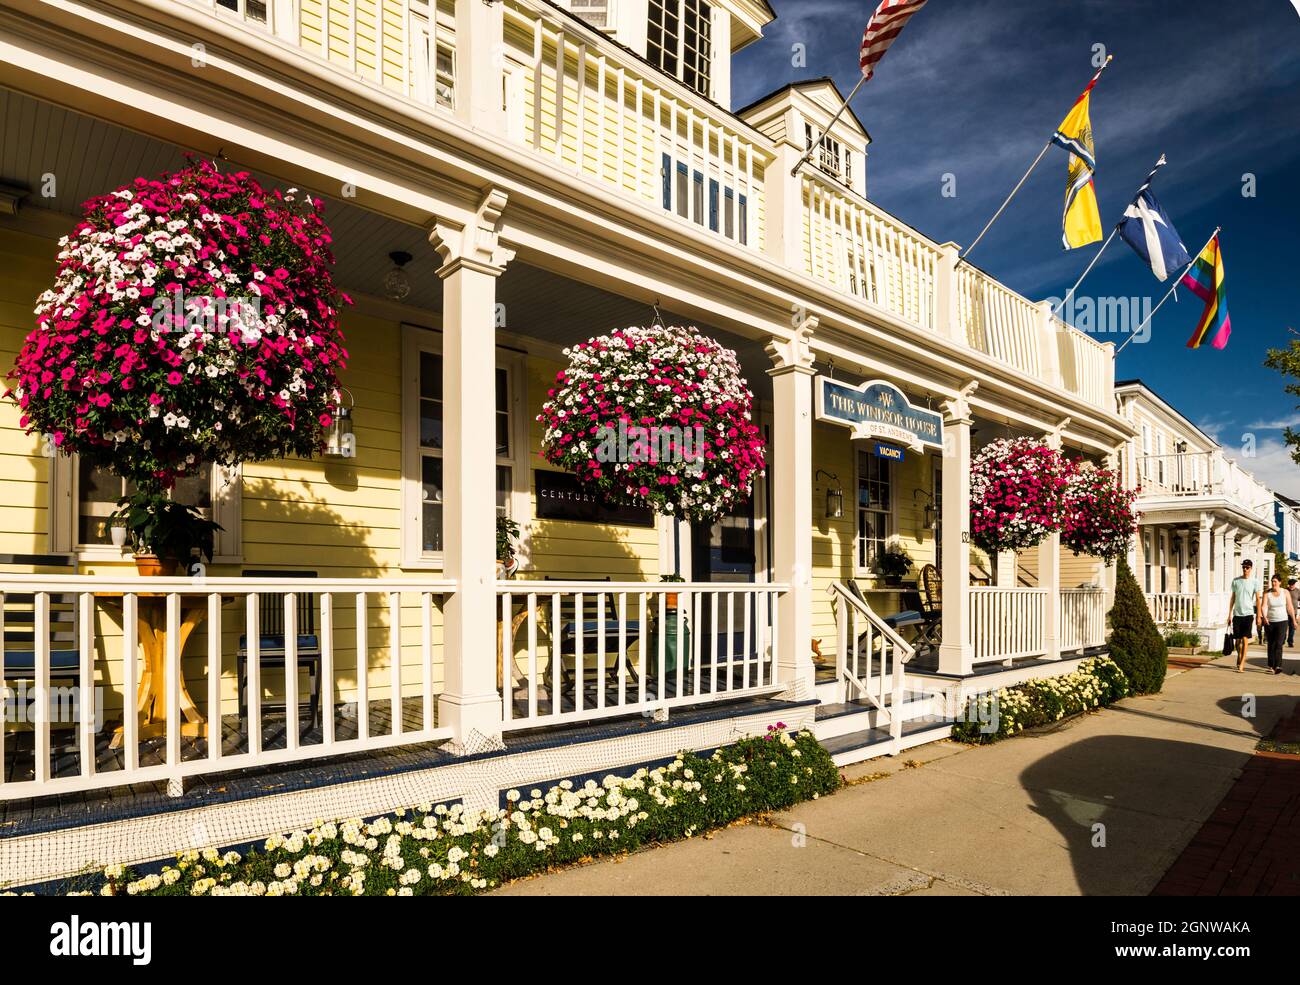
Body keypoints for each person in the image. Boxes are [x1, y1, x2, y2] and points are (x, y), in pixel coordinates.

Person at [1227, 559, 1261, 673]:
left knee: (1245, 639)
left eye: (1247, 567)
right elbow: (1233, 598)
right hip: (1237, 614)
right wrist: (1229, 614)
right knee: (1237, 641)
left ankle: (1242, 664)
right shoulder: (1236, 581)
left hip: (1248, 614)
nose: (1245, 569)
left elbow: (1257, 598)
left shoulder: (1255, 582)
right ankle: (1239, 655)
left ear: (1251, 569)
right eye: (1243, 567)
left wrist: (1259, 614)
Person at [1260, 574, 1297, 675]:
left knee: (1279, 643)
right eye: (1272, 581)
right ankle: (1271, 665)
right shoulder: (1267, 593)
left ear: (1280, 582)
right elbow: (1264, 606)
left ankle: (1278, 665)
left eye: (1275, 581)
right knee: (1271, 644)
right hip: (1270, 622)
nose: (1273, 583)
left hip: (1282, 621)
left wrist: (1293, 620)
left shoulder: (1285, 592)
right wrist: (1265, 617)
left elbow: (1289, 607)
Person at [1289, 578, 1300, 647]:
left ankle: (1290, 641)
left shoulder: (1298, 591)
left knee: (1292, 628)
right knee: (1284, 628)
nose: (1292, 586)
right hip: (1285, 612)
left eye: (1293, 584)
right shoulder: (1286, 591)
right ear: (1289, 584)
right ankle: (1282, 640)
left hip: (1294, 612)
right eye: (1291, 584)